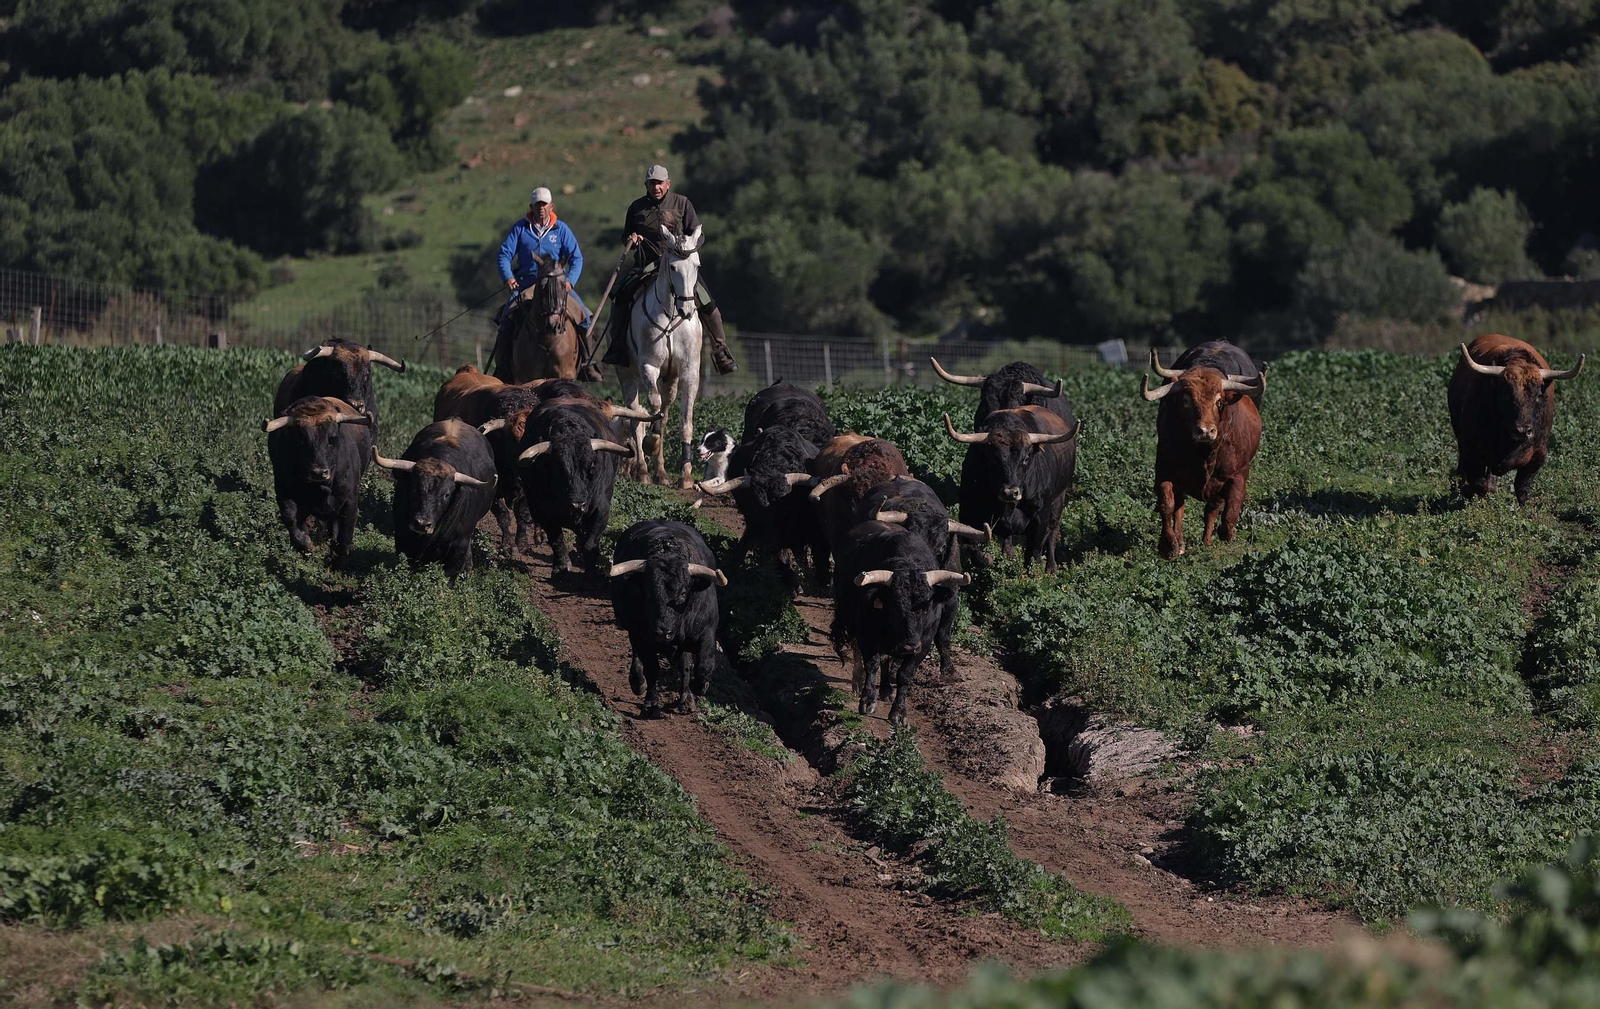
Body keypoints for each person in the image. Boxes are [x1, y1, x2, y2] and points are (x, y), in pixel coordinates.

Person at [598, 164, 737, 375]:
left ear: (668, 184)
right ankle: (618, 348)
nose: (656, 187)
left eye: (660, 183)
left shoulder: (682, 203)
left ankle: (721, 350)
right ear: (646, 184)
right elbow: (626, 234)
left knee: (707, 301)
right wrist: (631, 239)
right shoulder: (636, 207)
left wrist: (689, 247)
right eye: (652, 183)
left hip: (679, 266)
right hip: (647, 265)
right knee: (619, 295)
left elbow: (698, 234)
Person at [493, 187, 590, 370]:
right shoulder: (520, 229)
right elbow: (504, 255)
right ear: (531, 206)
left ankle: (586, 363)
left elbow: (576, 258)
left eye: (544, 204)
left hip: (557, 286)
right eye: (537, 205)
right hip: (526, 285)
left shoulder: (561, 230)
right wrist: (508, 278)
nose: (541, 208)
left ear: (551, 206)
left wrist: (569, 281)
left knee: (585, 318)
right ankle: (503, 367)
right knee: (506, 320)